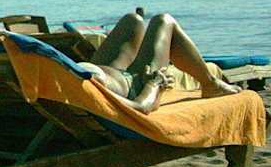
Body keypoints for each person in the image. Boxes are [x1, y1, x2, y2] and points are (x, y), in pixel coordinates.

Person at [77, 12, 241, 114]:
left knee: (132, 20)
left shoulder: (58, 73)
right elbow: (140, 107)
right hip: (136, 87)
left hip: (108, 73)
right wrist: (153, 84)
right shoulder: (85, 91)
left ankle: (210, 82)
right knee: (164, 21)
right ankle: (210, 83)